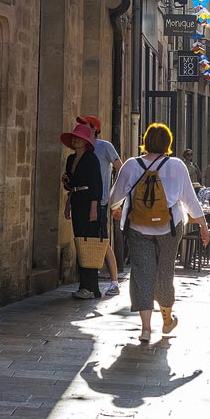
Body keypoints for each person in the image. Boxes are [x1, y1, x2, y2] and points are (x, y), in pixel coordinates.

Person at [110, 123, 209, 343]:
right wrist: (203, 225)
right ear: (167, 143)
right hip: (170, 228)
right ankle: (166, 319)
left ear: (145, 140)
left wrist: (117, 208)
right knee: (166, 271)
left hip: (138, 228)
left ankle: (146, 328)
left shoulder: (131, 165)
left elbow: (115, 197)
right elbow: (190, 199)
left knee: (142, 273)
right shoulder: (177, 165)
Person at [76, 115, 124, 296]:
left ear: (94, 128)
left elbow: (122, 168)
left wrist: (114, 196)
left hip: (101, 202)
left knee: (103, 242)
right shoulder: (81, 148)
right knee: (87, 241)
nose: (80, 127)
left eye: (85, 125)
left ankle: (114, 282)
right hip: (83, 202)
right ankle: (87, 284)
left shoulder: (105, 146)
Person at [61, 123, 104, 299]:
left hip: (88, 202)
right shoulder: (71, 160)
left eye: (79, 137)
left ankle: (91, 287)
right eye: (74, 137)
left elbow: (96, 184)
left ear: (85, 141)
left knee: (89, 243)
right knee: (80, 241)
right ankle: (83, 286)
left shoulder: (91, 159)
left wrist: (94, 207)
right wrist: (68, 203)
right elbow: (70, 184)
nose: (75, 140)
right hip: (77, 200)